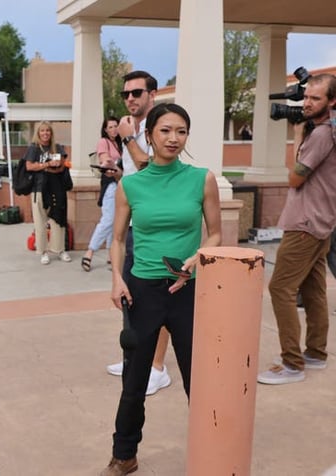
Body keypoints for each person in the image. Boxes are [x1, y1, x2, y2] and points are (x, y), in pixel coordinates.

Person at [101, 103, 222, 476]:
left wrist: (199, 258)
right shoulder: (130, 184)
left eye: (181, 131)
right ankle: (124, 455)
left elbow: (216, 232)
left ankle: (211, 454)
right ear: (149, 134)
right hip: (141, 291)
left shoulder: (202, 178)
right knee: (134, 380)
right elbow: (118, 238)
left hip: (188, 290)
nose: (174, 138)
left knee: (198, 379)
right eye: (166, 130)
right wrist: (117, 278)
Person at [258, 73, 336, 385]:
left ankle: (292, 364)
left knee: (280, 288)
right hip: (321, 221)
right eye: (306, 98)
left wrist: (296, 137)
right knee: (314, 289)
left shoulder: (319, 136)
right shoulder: (329, 130)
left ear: (331, 101)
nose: (306, 104)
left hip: (304, 223)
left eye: (315, 99)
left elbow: (294, 178)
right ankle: (315, 354)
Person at [106, 70, 173, 396]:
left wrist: (128, 138)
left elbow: (151, 167)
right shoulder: (134, 128)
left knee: (158, 299)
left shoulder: (158, 127)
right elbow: (133, 172)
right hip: (132, 223)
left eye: (136, 93)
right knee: (131, 295)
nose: (130, 99)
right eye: (126, 94)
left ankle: (157, 368)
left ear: (152, 95)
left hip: (156, 227)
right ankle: (135, 358)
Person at [24, 121, 72, 265]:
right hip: (39, 189)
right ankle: (43, 251)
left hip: (56, 189)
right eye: (42, 131)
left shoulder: (57, 148)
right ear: (38, 133)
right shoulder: (34, 149)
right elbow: (29, 166)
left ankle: (60, 249)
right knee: (40, 222)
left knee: (59, 220)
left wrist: (57, 165)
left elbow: (62, 165)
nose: (45, 133)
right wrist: (47, 165)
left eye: (48, 131)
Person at [82, 117, 123, 272]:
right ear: (105, 129)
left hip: (121, 183)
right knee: (107, 220)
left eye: (116, 126)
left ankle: (111, 256)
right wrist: (113, 163)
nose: (114, 129)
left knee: (116, 221)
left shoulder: (120, 143)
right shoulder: (103, 142)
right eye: (110, 127)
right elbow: (105, 160)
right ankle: (89, 252)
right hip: (110, 184)